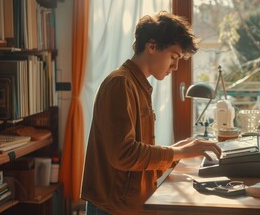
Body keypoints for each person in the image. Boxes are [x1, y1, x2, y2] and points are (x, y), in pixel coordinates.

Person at [81, 11, 222, 215]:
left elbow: (139, 153)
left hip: (129, 203)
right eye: (174, 56)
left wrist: (182, 148)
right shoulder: (120, 84)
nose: (175, 66)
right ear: (152, 47)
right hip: (112, 207)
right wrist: (181, 152)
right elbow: (124, 154)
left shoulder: (137, 85)